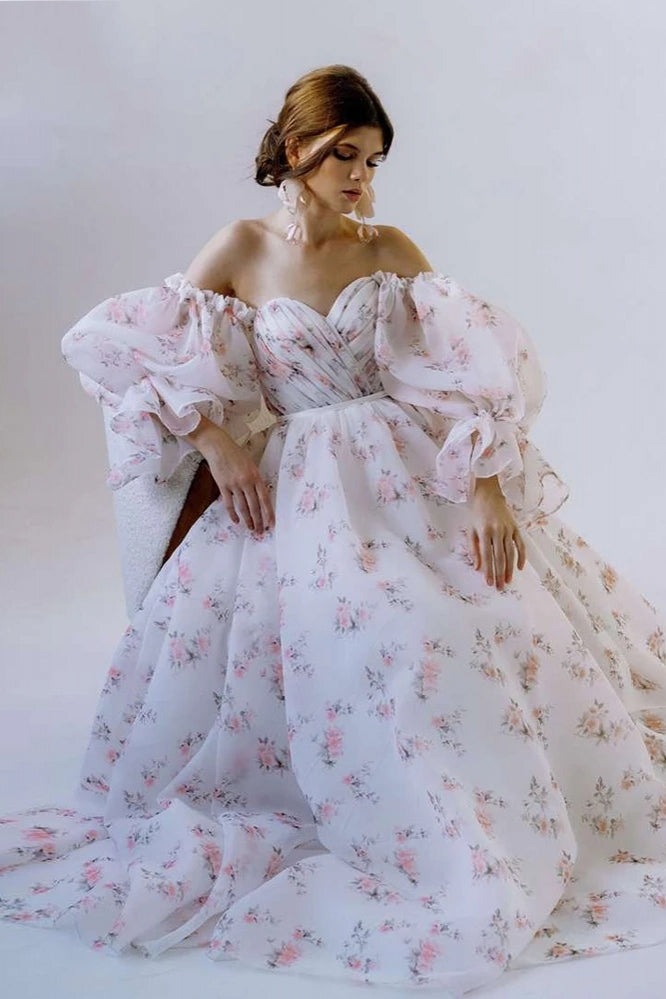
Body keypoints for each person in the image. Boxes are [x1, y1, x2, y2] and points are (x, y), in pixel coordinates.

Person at [2, 63, 666, 996]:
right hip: (295, 485)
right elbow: (126, 349)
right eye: (346, 155)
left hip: (404, 468)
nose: (361, 176)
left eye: (374, 160)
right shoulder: (239, 247)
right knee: (362, 632)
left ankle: (486, 801)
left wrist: (484, 487)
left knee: (464, 617)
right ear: (297, 148)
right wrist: (218, 446)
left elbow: (463, 370)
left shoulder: (387, 247)